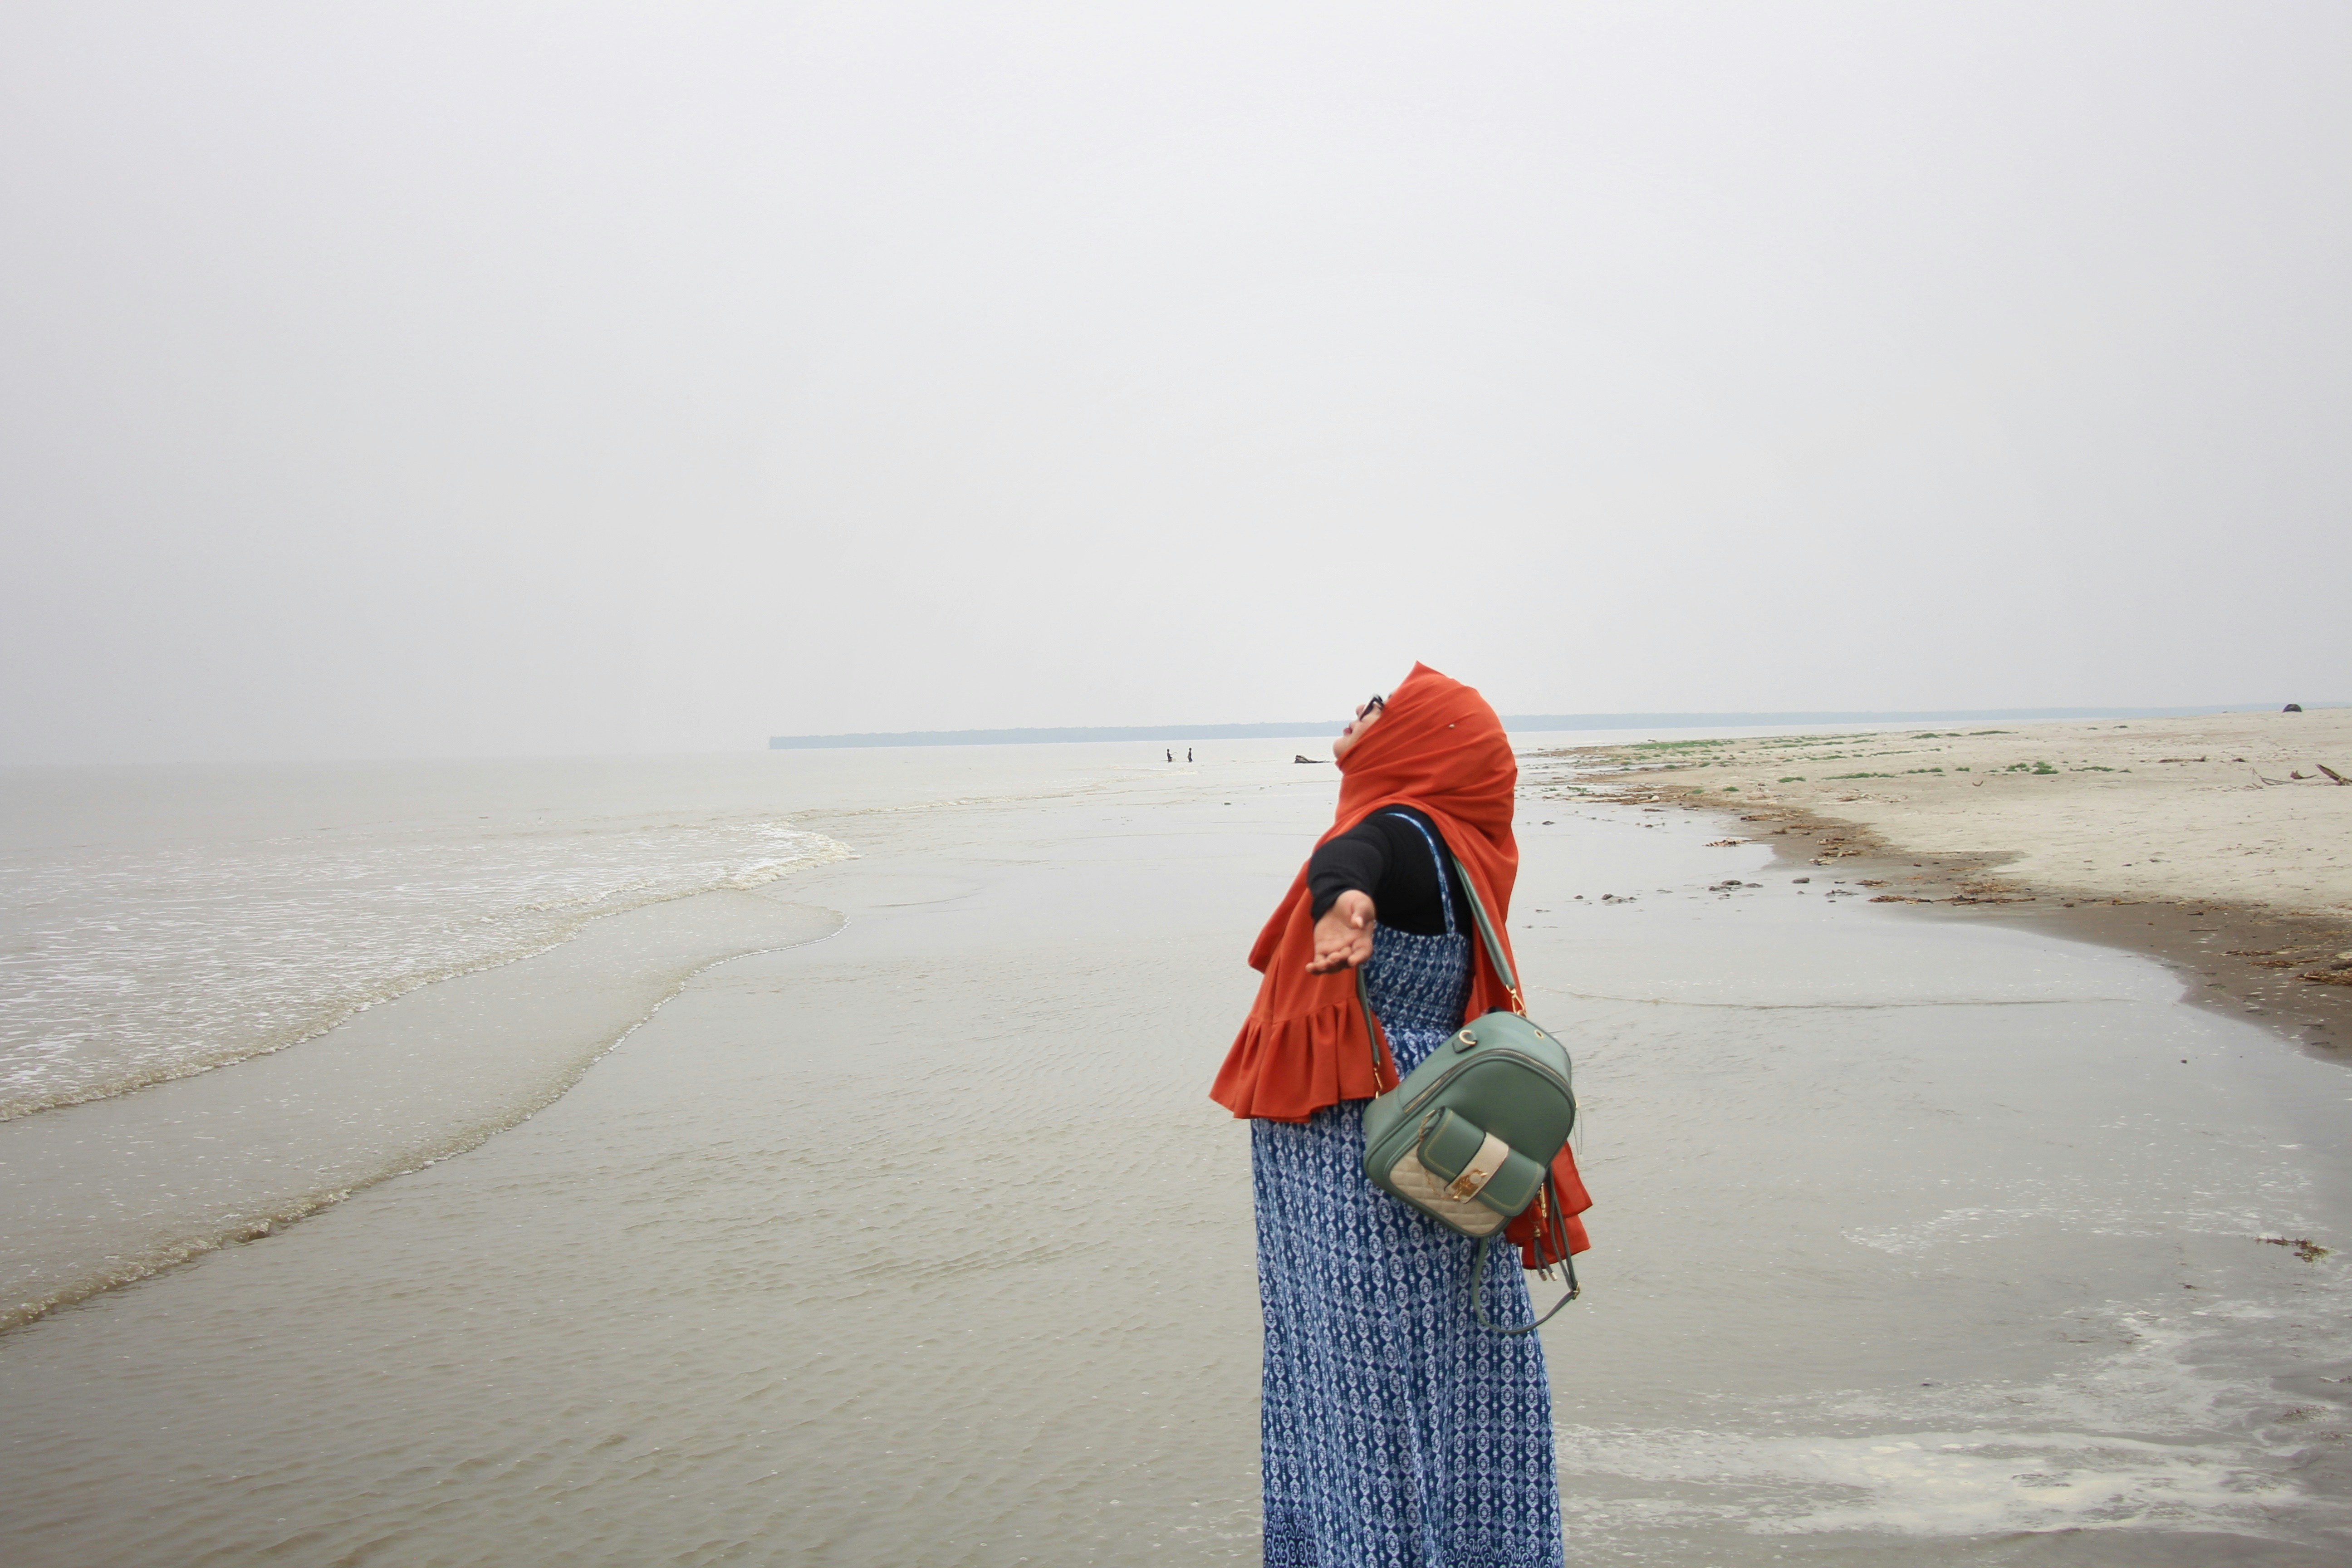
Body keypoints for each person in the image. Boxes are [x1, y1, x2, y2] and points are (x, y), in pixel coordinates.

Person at [1211, 663, 1590, 1568]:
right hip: (1430, 1155)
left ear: (1423, 740)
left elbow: (1354, 859)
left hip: (1360, 1167)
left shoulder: (1401, 833)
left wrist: (1344, 902)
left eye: (1378, 707)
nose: (1358, 712)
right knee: (1449, 1377)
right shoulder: (1459, 848)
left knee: (1362, 1393)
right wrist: (1348, 894)